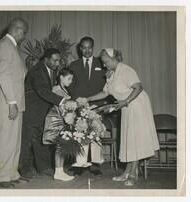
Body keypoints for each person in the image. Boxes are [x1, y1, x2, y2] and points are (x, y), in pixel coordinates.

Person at [87, 48, 160, 186]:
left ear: (114, 58)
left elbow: (138, 88)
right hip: (126, 107)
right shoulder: (112, 74)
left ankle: (133, 173)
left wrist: (125, 101)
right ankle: (127, 171)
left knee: (135, 139)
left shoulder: (127, 70)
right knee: (128, 139)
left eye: (106, 62)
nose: (104, 65)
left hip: (137, 105)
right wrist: (88, 98)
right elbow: (104, 93)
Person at [19, 48, 67, 179]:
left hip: (42, 110)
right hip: (32, 110)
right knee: (27, 142)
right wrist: (62, 101)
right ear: (46, 59)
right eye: (55, 60)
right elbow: (42, 91)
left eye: (59, 60)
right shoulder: (37, 71)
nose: (58, 63)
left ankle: (43, 167)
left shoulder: (52, 69)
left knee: (41, 139)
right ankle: (24, 169)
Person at [0, 18, 29, 188]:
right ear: (18, 30)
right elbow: (3, 73)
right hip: (8, 102)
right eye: (24, 33)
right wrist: (11, 101)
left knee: (14, 141)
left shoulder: (11, 47)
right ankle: (0, 176)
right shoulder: (5, 46)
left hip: (15, 102)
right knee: (5, 139)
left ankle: (11, 173)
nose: (24, 37)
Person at [69, 36, 106, 177]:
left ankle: (95, 164)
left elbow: (106, 86)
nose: (87, 50)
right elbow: (71, 85)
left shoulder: (101, 64)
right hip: (80, 105)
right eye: (84, 47)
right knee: (80, 133)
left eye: (89, 47)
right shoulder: (74, 65)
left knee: (96, 133)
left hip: (97, 105)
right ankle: (80, 164)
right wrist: (76, 101)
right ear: (80, 49)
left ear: (93, 47)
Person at [43, 68, 75, 181]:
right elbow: (60, 106)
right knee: (59, 146)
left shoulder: (64, 90)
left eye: (72, 79)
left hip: (62, 120)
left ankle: (60, 171)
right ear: (61, 77)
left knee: (62, 146)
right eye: (69, 78)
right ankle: (58, 172)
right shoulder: (56, 90)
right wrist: (68, 117)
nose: (71, 81)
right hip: (56, 120)